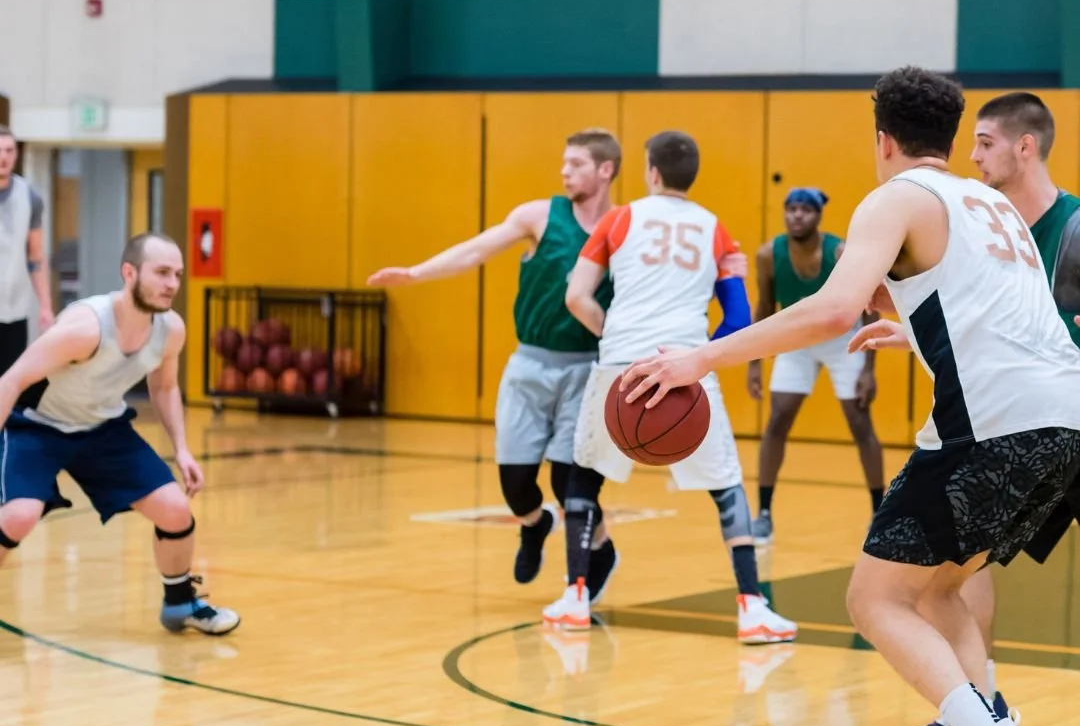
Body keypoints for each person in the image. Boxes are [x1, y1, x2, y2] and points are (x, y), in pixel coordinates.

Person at [619, 67, 1080, 726]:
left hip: (992, 425)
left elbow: (831, 309)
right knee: (939, 592)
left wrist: (701, 359)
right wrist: (909, 329)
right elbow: (1003, 310)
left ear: (883, 139)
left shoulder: (897, 196)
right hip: (1063, 420)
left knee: (873, 598)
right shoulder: (993, 203)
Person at [542, 130, 796, 644]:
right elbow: (739, 318)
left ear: (651, 172)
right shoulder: (716, 230)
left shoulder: (617, 219)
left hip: (618, 363)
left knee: (583, 479)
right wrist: (704, 358)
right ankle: (751, 607)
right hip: (685, 365)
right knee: (726, 486)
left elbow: (576, 296)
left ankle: (574, 596)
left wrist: (613, 334)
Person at [889, 94, 1080, 726]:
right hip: (1021, 412)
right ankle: (976, 705)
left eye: (988, 143)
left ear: (1026, 147)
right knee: (962, 564)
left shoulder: (1073, 225)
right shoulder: (979, 216)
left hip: (1057, 409)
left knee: (924, 577)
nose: (973, 156)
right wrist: (908, 331)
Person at [367, 130, 622, 597]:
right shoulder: (540, 216)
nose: (564, 171)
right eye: (563, 162)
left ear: (605, 170)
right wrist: (417, 272)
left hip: (588, 369)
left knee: (570, 483)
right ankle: (533, 523)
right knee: (516, 484)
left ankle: (599, 552)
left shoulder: (625, 227)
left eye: (577, 163)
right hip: (530, 365)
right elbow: (476, 249)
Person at [0, 232, 239, 635]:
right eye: (161, 273)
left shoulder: (170, 330)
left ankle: (180, 605)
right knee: (19, 516)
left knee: (176, 509)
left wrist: (182, 449)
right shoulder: (85, 327)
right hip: (38, 427)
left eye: (177, 275)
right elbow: (11, 380)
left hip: (101, 429)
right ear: (129, 273)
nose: (171, 284)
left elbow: (163, 387)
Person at [748, 188, 884, 544]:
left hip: (844, 340)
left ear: (818, 216)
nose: (796, 216)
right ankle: (763, 513)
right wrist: (753, 364)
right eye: (790, 209)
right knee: (777, 419)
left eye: (804, 210)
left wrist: (869, 367)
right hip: (797, 339)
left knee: (859, 422)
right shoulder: (768, 254)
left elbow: (871, 307)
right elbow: (763, 308)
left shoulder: (839, 252)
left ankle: (879, 510)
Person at [0, 126, 54, 375]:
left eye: (9, 150)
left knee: (10, 380)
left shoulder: (30, 196)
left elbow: (36, 257)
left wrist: (45, 305)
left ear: (17, 153)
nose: (4, 157)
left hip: (14, 309)